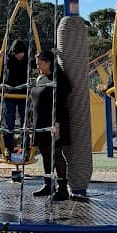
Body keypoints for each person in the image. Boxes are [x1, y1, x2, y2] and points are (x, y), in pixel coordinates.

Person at [30, 50, 71, 202]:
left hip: (55, 122)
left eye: (40, 63)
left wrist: (57, 124)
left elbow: (60, 103)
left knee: (56, 153)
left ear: (48, 62)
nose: (38, 66)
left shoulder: (58, 78)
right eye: (37, 64)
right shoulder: (40, 78)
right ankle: (48, 184)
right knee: (45, 154)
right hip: (40, 123)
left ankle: (62, 189)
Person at [0, 38, 30, 181]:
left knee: (25, 121)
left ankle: (26, 146)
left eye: (21, 53)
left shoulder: (27, 59)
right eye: (17, 53)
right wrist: (1, 56)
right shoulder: (8, 58)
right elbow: (1, 57)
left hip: (23, 92)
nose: (20, 55)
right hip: (10, 92)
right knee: (8, 120)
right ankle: (9, 147)